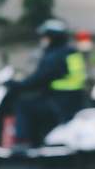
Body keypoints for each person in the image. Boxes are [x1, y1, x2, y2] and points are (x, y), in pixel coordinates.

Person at [5, 19, 87, 148]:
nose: (43, 40)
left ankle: (23, 141)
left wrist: (14, 84)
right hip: (73, 99)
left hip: (59, 104)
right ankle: (37, 139)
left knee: (23, 104)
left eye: (46, 37)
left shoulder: (56, 57)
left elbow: (37, 80)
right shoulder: (70, 51)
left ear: (53, 38)